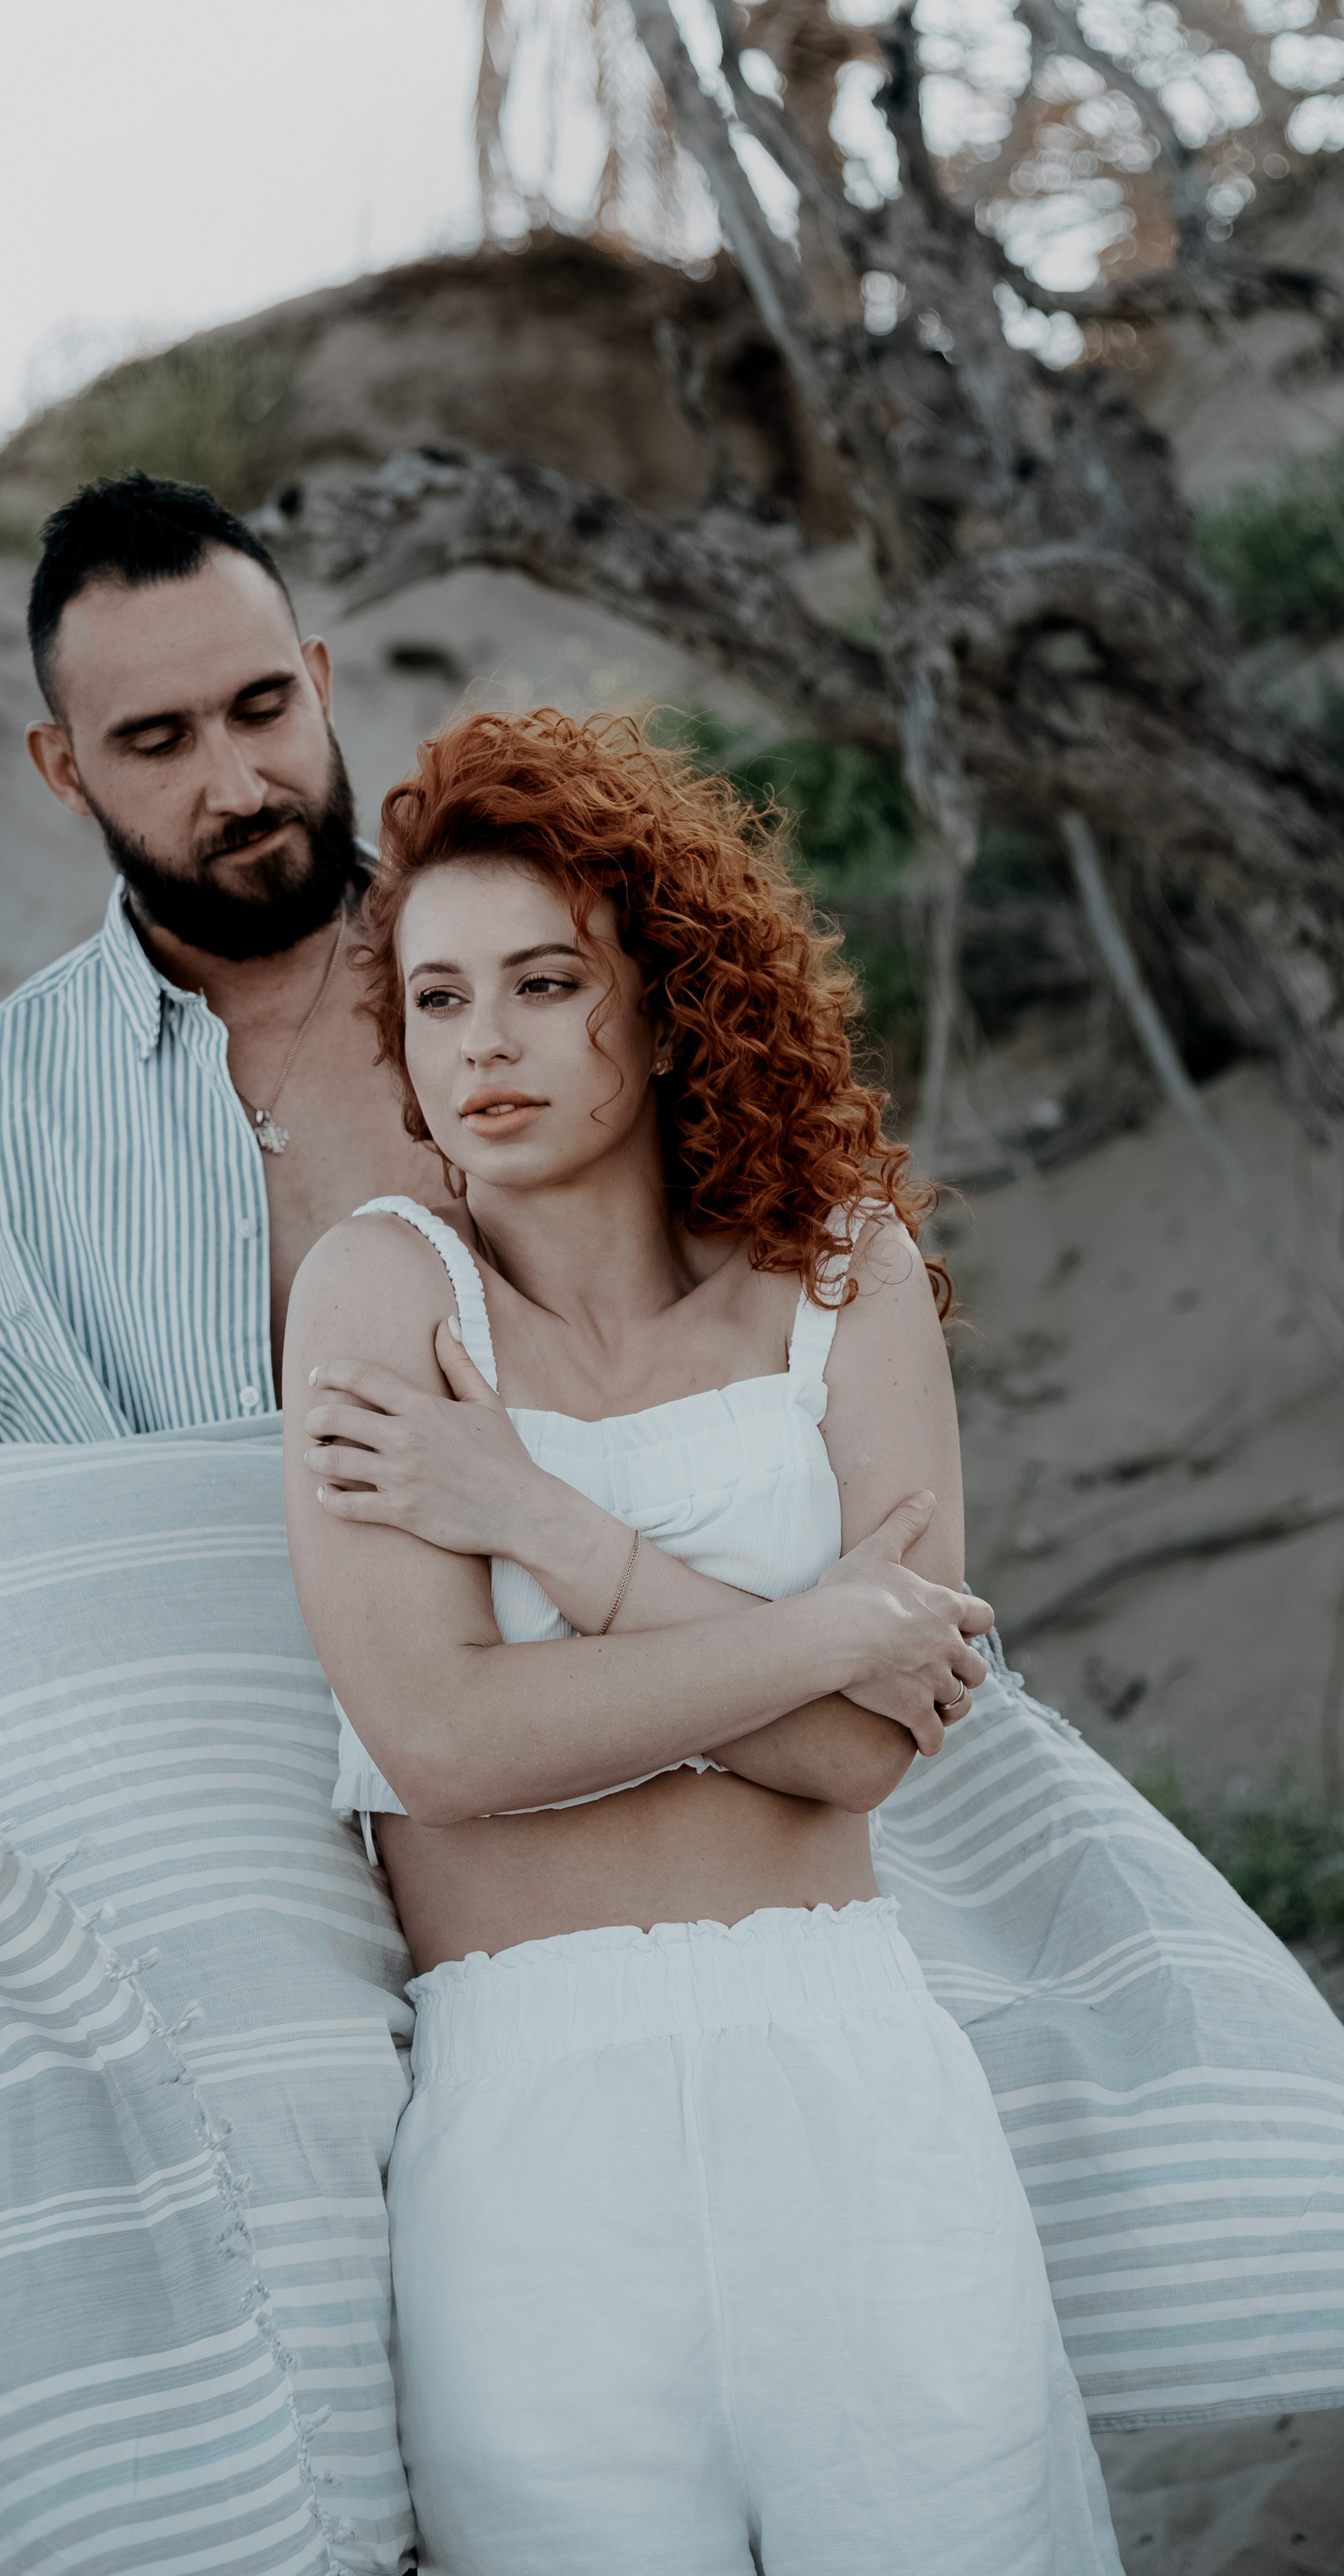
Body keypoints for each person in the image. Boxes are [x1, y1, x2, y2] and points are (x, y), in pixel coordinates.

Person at [282, 707, 1124, 2574]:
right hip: (530, 2130)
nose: (483, 1042)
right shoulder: (378, 1296)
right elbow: (445, 1741)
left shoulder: (843, 1268)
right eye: (435, 1000)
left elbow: (863, 1753)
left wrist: (539, 1523)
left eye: (543, 981)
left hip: (852, 2069)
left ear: (663, 1000)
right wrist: (822, 1627)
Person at [0, 472, 437, 1459]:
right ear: (65, 771)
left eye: (262, 709)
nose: (239, 787)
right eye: (160, 743)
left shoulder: (538, 984)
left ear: (319, 683)